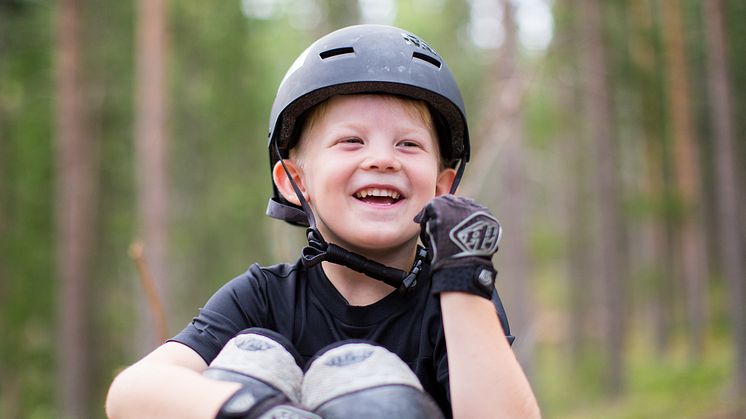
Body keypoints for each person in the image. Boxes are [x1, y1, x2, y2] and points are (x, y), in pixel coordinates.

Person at [106, 24, 540, 419]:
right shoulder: (263, 297)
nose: (382, 160)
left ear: (442, 188)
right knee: (252, 361)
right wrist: (253, 411)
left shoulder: (451, 298)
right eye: (351, 141)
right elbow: (131, 392)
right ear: (295, 181)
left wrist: (465, 282)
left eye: (408, 144)